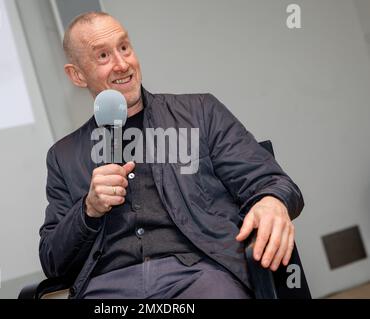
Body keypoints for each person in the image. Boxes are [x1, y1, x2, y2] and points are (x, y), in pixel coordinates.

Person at [39, 11, 304, 299]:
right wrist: (88, 209)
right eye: (103, 56)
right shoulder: (62, 156)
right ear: (77, 75)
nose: (121, 64)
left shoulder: (201, 113)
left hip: (200, 276)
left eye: (124, 48)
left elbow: (273, 182)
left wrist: (271, 200)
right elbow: (53, 261)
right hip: (109, 288)